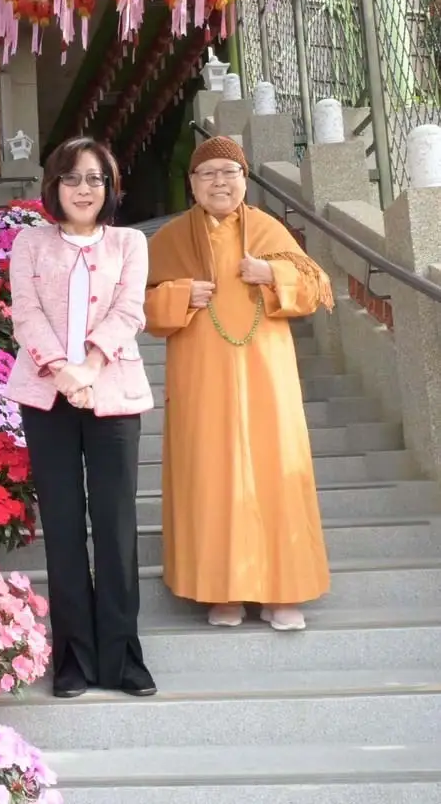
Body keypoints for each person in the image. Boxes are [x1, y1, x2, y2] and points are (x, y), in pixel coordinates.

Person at [145, 135, 332, 632]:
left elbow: (316, 287)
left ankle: (281, 592)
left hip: (267, 376)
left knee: (275, 472)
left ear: (245, 181)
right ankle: (219, 592)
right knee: (209, 474)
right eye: (208, 175)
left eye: (229, 173)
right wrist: (181, 293)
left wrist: (272, 272)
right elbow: (137, 305)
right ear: (192, 185)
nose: (219, 183)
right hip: (200, 377)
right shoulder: (170, 239)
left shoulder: (270, 229)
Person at [6, 137, 156, 699]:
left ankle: (123, 658)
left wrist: (89, 367)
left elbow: (130, 310)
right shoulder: (29, 243)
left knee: (116, 528)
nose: (84, 189)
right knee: (64, 529)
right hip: (47, 399)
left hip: (113, 395)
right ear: (54, 186)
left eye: (95, 179)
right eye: (73, 178)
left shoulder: (129, 242)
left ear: (110, 187)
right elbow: (25, 311)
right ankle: (72, 657)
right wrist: (62, 372)